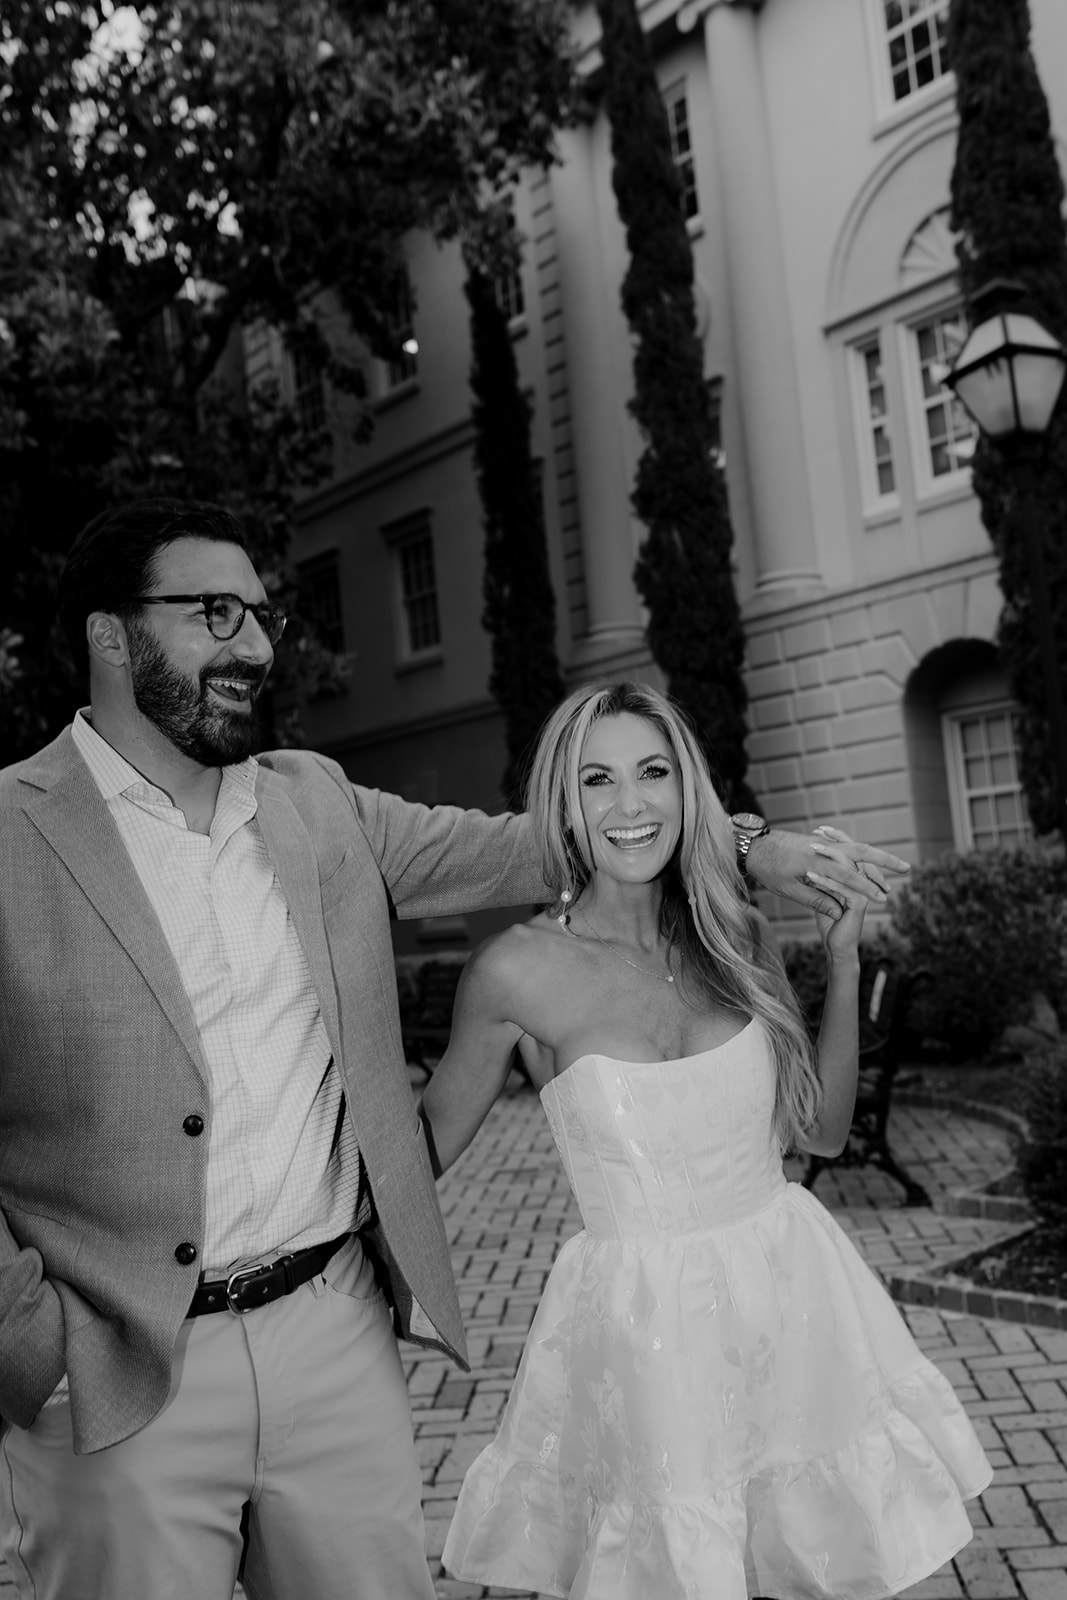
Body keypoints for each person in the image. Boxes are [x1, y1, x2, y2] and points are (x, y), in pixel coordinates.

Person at [0, 500, 909, 1600]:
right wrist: (30, 1342)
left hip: (332, 1335)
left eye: (261, 614)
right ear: (110, 633)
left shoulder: (314, 802)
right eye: (215, 612)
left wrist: (745, 841)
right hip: (115, 1376)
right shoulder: (14, 833)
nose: (255, 643)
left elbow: (551, 837)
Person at [421, 680, 992, 1600]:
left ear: (689, 792)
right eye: (597, 780)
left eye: (653, 773)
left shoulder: (737, 938)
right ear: (563, 806)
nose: (631, 805)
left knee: (809, 1562)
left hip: (791, 1301)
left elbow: (823, 1133)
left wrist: (842, 961)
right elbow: (423, 1152)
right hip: (647, 1339)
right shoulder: (515, 971)